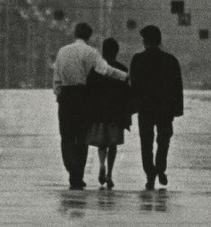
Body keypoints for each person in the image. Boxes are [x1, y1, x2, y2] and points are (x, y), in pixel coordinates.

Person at [53, 22, 128, 189]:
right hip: (82, 97)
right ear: (89, 36)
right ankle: (77, 175)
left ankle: (71, 169)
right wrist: (125, 76)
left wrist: (59, 93)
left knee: (66, 136)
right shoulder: (91, 52)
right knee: (81, 136)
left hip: (65, 96)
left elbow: (57, 76)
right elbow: (106, 70)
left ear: (75, 33)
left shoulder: (62, 51)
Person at [129, 25, 183, 190]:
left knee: (146, 142)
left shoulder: (137, 59)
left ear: (145, 42)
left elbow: (134, 86)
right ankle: (160, 168)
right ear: (159, 41)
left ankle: (150, 173)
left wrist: (132, 107)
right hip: (164, 109)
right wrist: (177, 110)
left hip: (145, 108)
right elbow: (177, 87)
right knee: (163, 140)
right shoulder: (171, 60)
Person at [85, 37, 132, 189]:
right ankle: (110, 173)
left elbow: (89, 91)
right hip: (115, 113)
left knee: (102, 143)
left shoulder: (95, 69)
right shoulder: (122, 69)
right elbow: (126, 93)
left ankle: (101, 165)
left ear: (103, 51)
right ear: (116, 52)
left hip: (99, 112)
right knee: (113, 144)